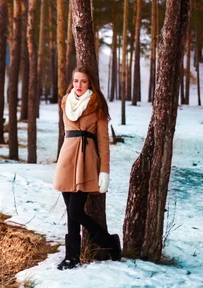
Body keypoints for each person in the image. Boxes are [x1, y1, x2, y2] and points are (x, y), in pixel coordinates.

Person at [53, 65, 122, 270]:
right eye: (75, 81)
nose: (79, 85)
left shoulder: (96, 105)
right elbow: (66, 133)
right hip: (67, 158)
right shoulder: (66, 102)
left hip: (86, 160)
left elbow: (103, 143)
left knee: (76, 211)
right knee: (69, 210)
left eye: (83, 81)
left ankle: (109, 241)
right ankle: (72, 257)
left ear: (90, 83)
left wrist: (105, 171)